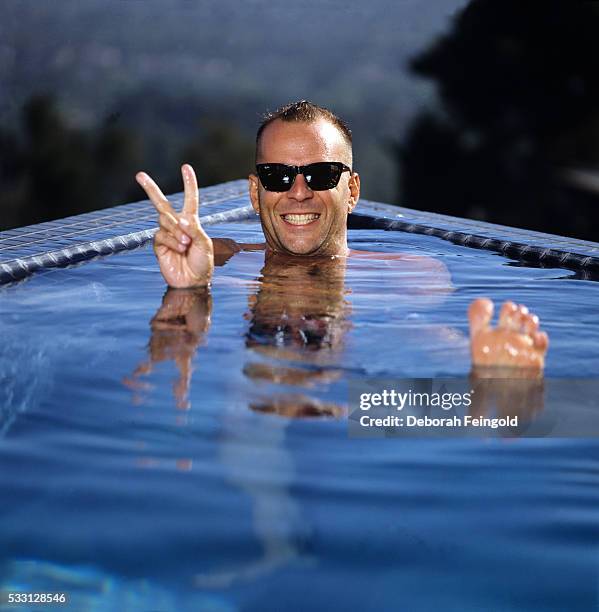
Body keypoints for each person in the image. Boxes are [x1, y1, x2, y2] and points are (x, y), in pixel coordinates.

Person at [134, 100, 548, 374]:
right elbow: (172, 346)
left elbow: (417, 336)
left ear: (351, 191)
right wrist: (187, 292)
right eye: (277, 176)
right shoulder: (216, 261)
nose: (299, 192)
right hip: (243, 399)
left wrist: (483, 372)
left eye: (321, 174)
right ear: (255, 194)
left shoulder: (408, 275)